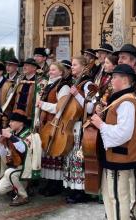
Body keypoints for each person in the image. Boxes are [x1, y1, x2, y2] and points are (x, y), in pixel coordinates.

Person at [91, 64, 136, 220]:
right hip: (117, 155)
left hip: (120, 155)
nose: (111, 80)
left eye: (114, 77)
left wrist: (100, 125)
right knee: (112, 194)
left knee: (117, 196)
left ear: (124, 79)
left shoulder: (127, 102)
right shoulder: (121, 99)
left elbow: (124, 133)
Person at [62, 56, 96, 203]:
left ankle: (81, 191)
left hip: (81, 125)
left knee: (78, 158)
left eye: (75, 65)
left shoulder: (88, 84)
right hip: (72, 125)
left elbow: (90, 107)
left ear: (84, 67)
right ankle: (72, 188)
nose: (72, 67)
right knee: (71, 157)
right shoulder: (74, 82)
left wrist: (76, 95)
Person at [35, 62, 70, 196]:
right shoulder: (50, 85)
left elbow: (60, 108)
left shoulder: (63, 86)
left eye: (54, 70)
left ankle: (55, 185)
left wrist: (42, 104)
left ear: (61, 72)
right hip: (46, 123)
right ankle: (49, 182)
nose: (50, 72)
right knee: (47, 153)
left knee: (54, 153)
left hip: (54, 124)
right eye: (50, 70)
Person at [0, 109, 35, 206]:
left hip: (25, 168)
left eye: (12, 121)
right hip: (15, 167)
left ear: (21, 123)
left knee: (9, 172)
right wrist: (1, 143)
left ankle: (23, 196)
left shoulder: (29, 134)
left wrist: (10, 136)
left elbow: (23, 149)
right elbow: (4, 154)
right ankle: (20, 187)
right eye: (10, 121)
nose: (10, 123)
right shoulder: (13, 134)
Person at [113, 44, 136, 125]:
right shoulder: (117, 78)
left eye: (123, 57)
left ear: (133, 61)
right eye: (119, 57)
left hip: (132, 128)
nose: (119, 61)